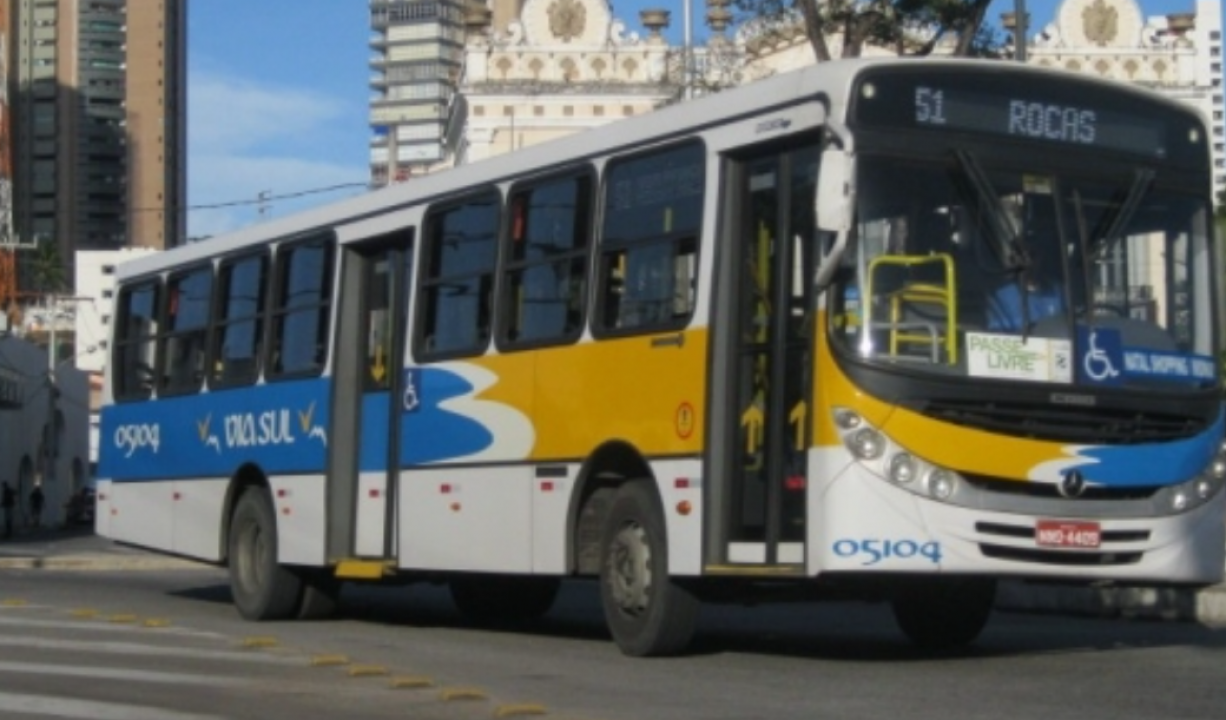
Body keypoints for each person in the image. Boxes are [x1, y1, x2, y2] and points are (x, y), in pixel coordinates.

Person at [986, 246, 1065, 332]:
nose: (1029, 263)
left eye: (1033, 257)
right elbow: (996, 332)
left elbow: (1067, 327)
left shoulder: (1059, 293)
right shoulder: (1001, 296)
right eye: (1024, 259)